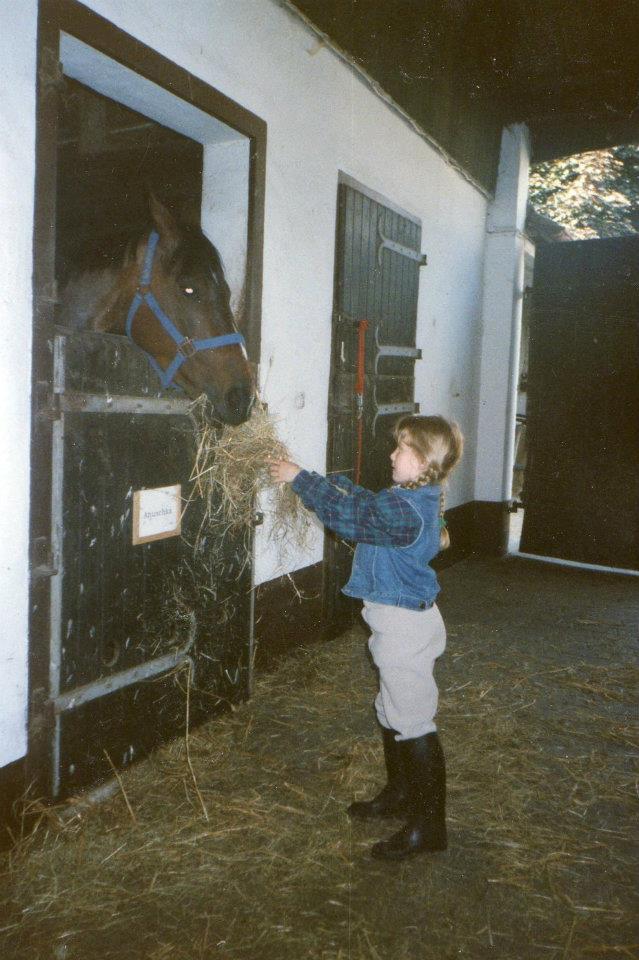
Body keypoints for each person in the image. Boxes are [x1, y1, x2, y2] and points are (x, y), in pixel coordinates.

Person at [268, 414, 463, 861]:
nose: (392, 455)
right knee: (391, 710)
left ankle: (430, 827)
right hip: (397, 622)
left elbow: (353, 519)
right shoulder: (407, 498)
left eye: (401, 449)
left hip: (403, 627)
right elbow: (363, 502)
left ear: (422, 461)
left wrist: (300, 480)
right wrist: (320, 481)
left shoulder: (404, 511)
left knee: (413, 721)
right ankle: (401, 793)